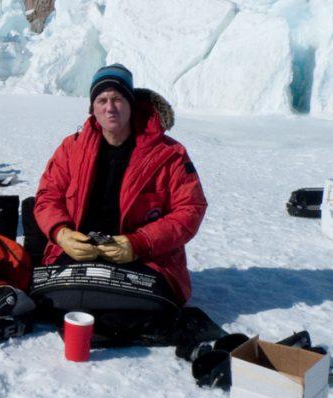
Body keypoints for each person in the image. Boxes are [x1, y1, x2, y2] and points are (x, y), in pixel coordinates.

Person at [32, 64, 207, 309]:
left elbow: (190, 209)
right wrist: (62, 234)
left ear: (131, 103)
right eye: (102, 99)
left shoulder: (168, 154)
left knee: (126, 311)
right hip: (79, 253)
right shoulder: (71, 148)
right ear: (92, 107)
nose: (110, 107)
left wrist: (138, 243)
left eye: (118, 99)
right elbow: (47, 197)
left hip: (146, 259)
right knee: (51, 303)